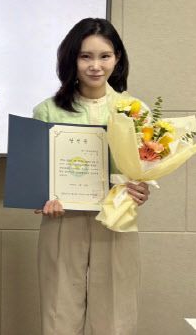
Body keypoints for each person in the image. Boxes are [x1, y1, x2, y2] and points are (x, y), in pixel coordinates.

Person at [33, 18, 150, 335]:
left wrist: (142, 188)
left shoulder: (134, 110)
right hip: (62, 218)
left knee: (115, 313)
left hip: (116, 218)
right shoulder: (47, 111)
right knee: (59, 311)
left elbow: (144, 168)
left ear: (117, 58)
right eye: (85, 56)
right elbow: (36, 175)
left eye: (104, 56)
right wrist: (39, 196)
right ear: (71, 58)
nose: (95, 66)